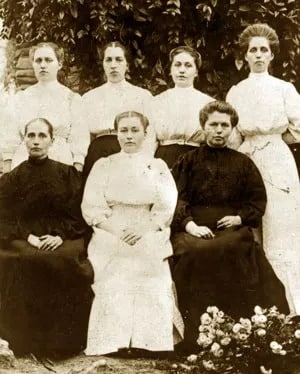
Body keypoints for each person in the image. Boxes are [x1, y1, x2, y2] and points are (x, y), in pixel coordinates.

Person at [171, 101, 289, 351]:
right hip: (193, 227)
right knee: (194, 251)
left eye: (225, 125)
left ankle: (236, 329)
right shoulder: (187, 162)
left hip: (231, 226)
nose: (219, 130)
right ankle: (197, 333)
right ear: (203, 127)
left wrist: (239, 218)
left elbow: (256, 200)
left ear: (233, 129)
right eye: (213, 124)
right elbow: (175, 198)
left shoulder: (243, 163)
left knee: (234, 247)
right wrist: (189, 224)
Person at [82, 110, 181, 356]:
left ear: (146, 134)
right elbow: (92, 205)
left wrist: (144, 228)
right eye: (123, 130)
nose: (129, 136)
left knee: (148, 265)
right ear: (116, 134)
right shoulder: (104, 165)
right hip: (111, 228)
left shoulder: (157, 166)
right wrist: (115, 229)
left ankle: (150, 342)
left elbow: (166, 204)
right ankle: (113, 341)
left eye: (134, 130)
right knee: (115, 266)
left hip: (147, 226)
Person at [0, 118, 93, 356]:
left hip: (63, 234)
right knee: (21, 260)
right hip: (23, 235)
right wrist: (27, 235)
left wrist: (60, 235)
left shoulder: (67, 173)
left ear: (52, 140)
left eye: (42, 136)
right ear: (24, 140)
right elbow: (5, 216)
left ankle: (61, 344)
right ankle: (22, 341)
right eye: (31, 136)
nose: (36, 141)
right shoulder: (12, 178)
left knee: (63, 260)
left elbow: (77, 212)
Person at [226, 23, 300, 314]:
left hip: (278, 160)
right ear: (244, 56)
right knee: (248, 227)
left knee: (282, 226)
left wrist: (273, 138)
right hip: (246, 160)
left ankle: (292, 306)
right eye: (252, 50)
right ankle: (255, 308)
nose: (258, 55)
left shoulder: (284, 89)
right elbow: (233, 134)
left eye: (263, 50)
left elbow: (298, 127)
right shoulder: (236, 91)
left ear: (272, 56)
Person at [2, 42, 88, 173]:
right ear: (33, 64)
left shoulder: (71, 99)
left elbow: (79, 137)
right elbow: (10, 136)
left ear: (59, 64)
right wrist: (7, 171)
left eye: (48, 60)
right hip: (24, 162)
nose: (43, 65)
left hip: (60, 162)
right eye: (38, 60)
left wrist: (76, 171)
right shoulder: (21, 98)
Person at [82, 41, 154, 179]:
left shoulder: (143, 96)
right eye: (108, 60)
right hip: (98, 152)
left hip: (130, 149)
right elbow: (84, 135)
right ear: (103, 64)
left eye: (119, 60)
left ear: (127, 65)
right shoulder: (89, 97)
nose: (113, 65)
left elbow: (150, 134)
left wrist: (145, 159)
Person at [153, 46, 214, 168]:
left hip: (196, 158)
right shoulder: (157, 101)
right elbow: (149, 140)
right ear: (170, 69)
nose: (182, 70)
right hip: (164, 159)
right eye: (177, 65)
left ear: (196, 72)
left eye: (188, 65)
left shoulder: (208, 103)